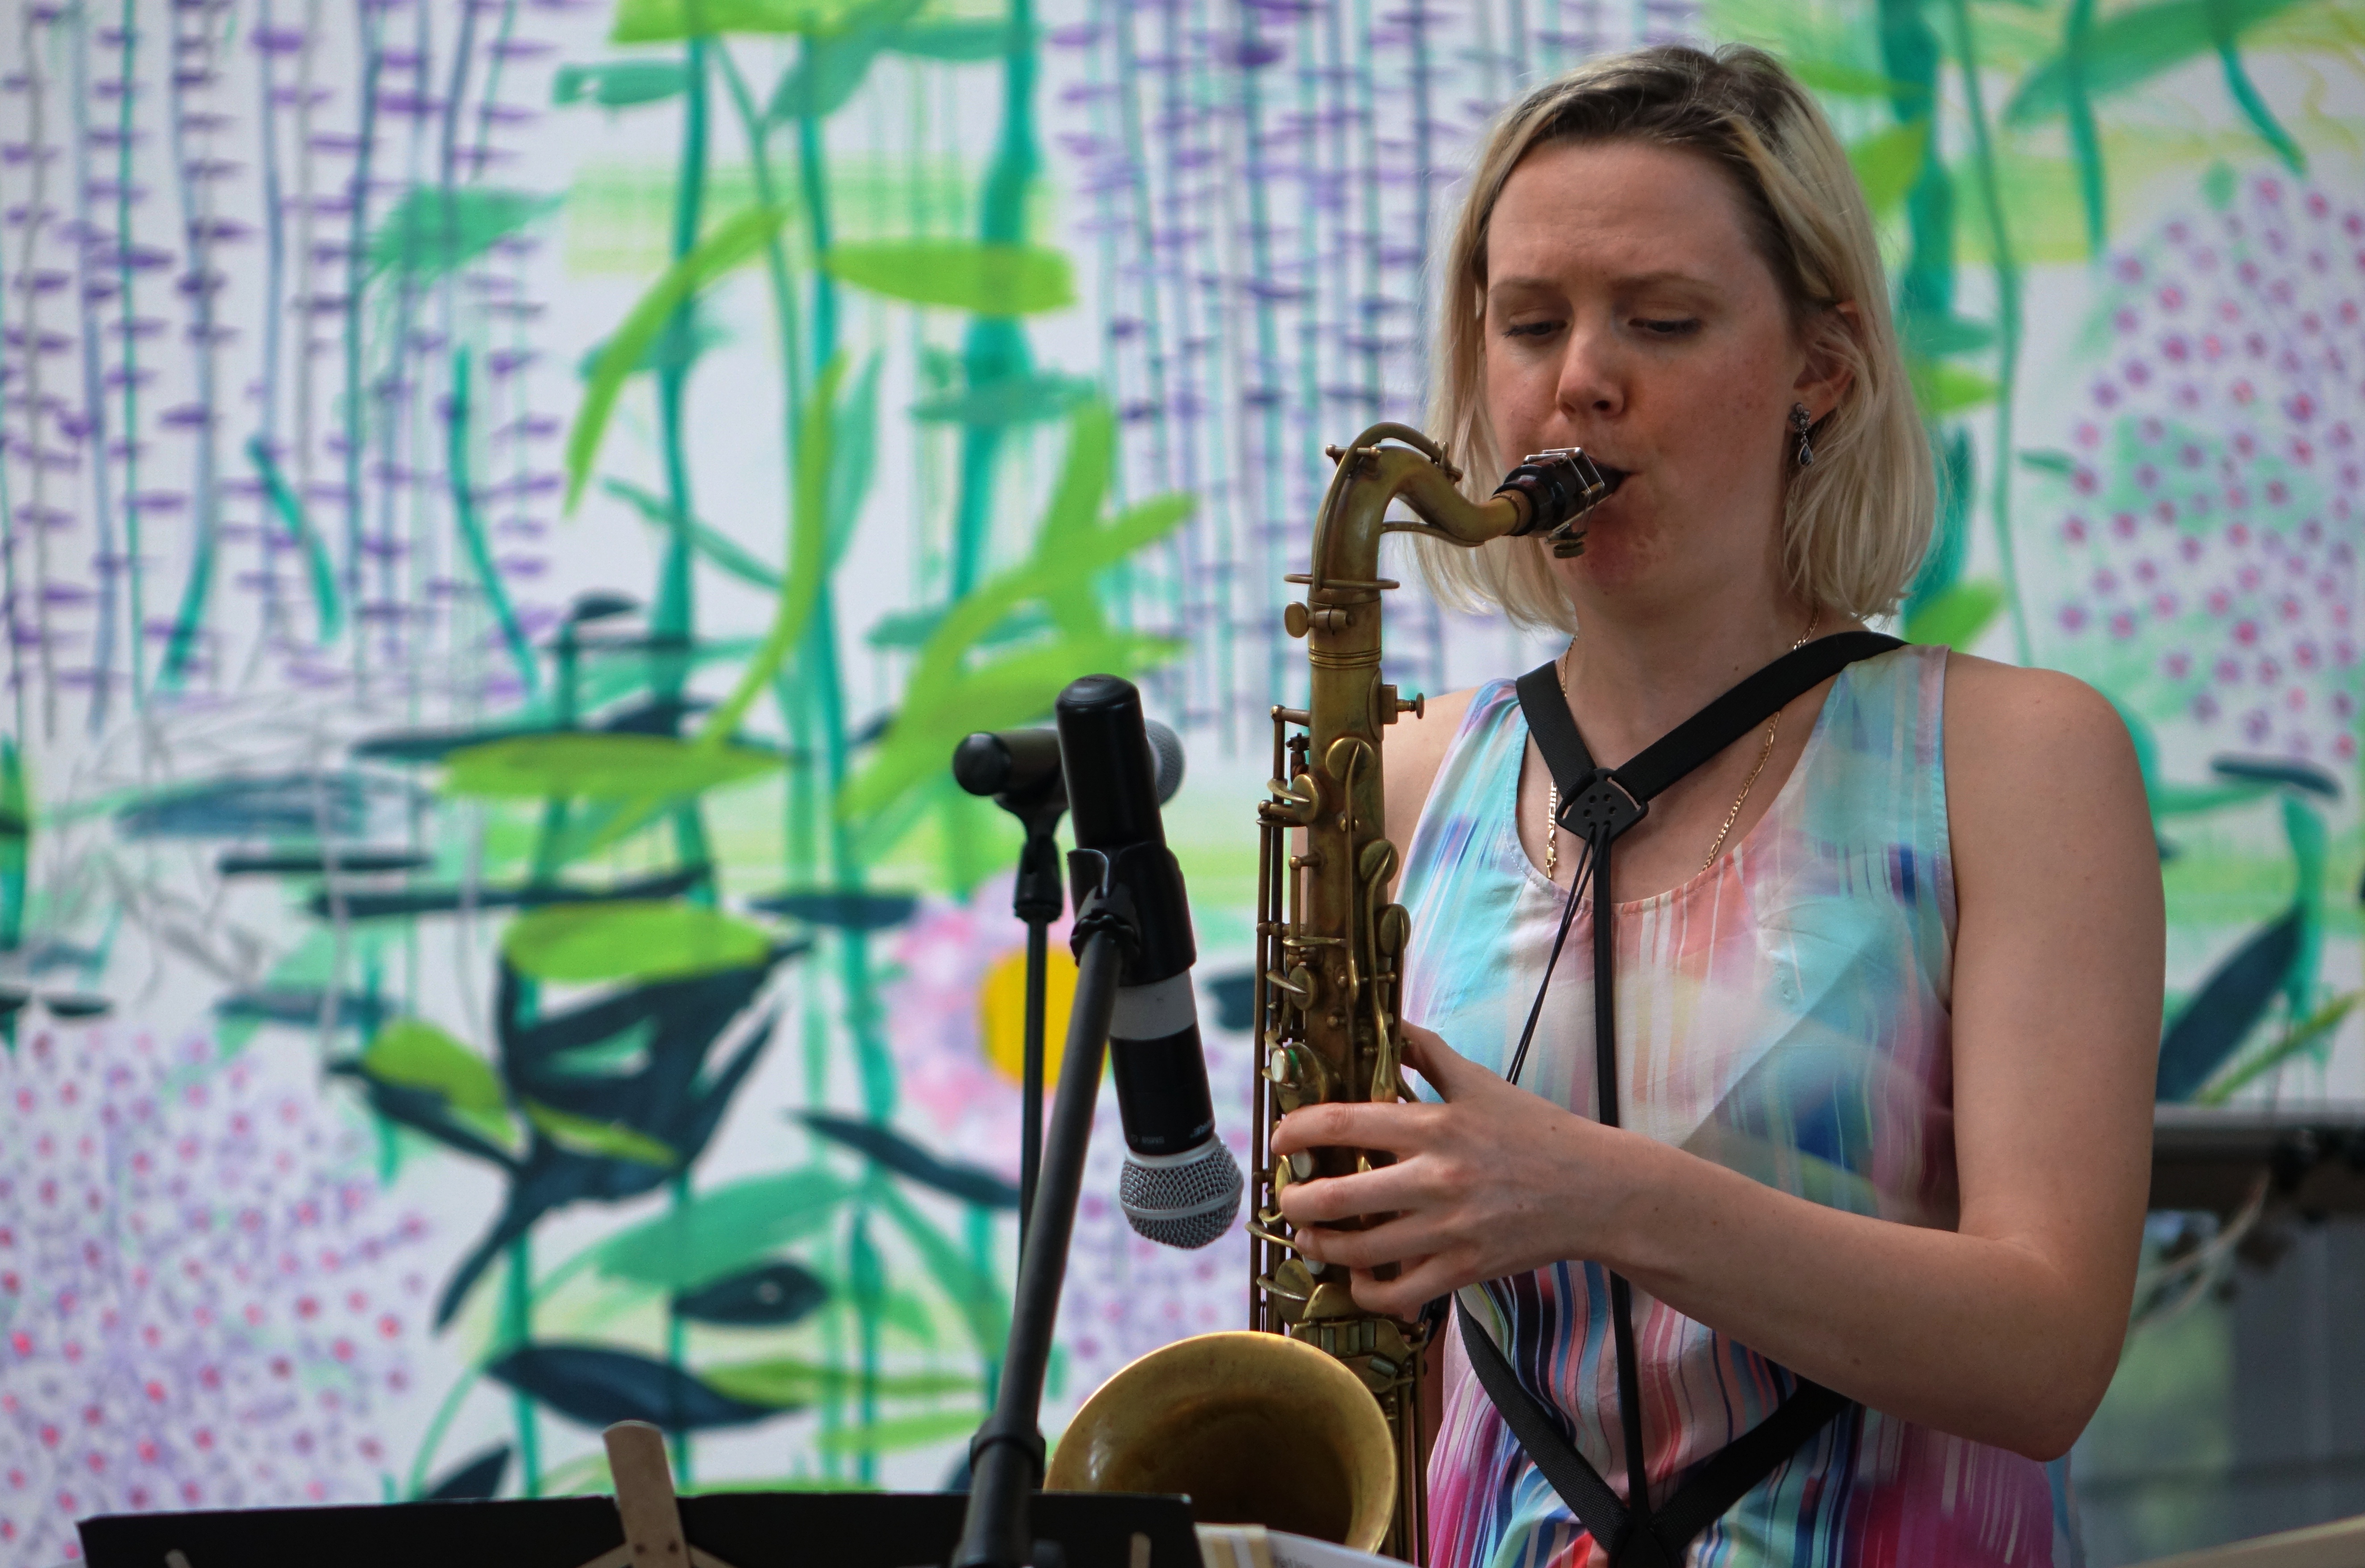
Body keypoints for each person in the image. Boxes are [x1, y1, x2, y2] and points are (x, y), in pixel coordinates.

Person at [1268, 43, 2162, 1568]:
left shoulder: (2017, 755)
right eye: (1528, 323)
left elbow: (2044, 1354)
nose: (1578, 380)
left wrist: (1596, 1194)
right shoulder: (1402, 773)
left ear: (1822, 364)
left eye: (1661, 321)